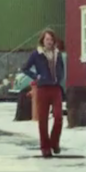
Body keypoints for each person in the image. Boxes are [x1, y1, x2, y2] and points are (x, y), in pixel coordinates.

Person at [21, 29, 65, 158]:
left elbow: (61, 69)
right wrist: (36, 76)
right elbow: (25, 68)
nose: (49, 42)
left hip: (55, 88)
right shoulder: (37, 54)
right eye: (47, 39)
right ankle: (45, 147)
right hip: (42, 88)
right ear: (43, 41)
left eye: (51, 39)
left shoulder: (58, 54)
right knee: (43, 119)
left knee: (58, 117)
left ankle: (54, 143)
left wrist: (59, 78)